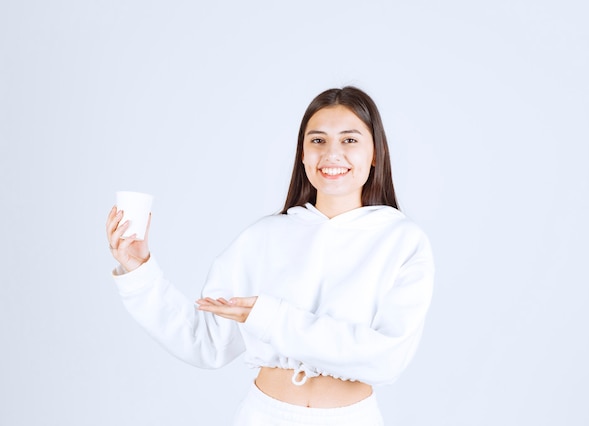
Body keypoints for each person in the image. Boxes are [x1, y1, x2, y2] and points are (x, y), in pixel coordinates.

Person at [106, 86, 434, 425]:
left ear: (376, 153)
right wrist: (139, 271)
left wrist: (272, 318)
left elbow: (385, 359)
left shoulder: (402, 241)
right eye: (317, 141)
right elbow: (204, 342)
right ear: (302, 154)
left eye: (349, 140)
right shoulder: (263, 238)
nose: (332, 154)